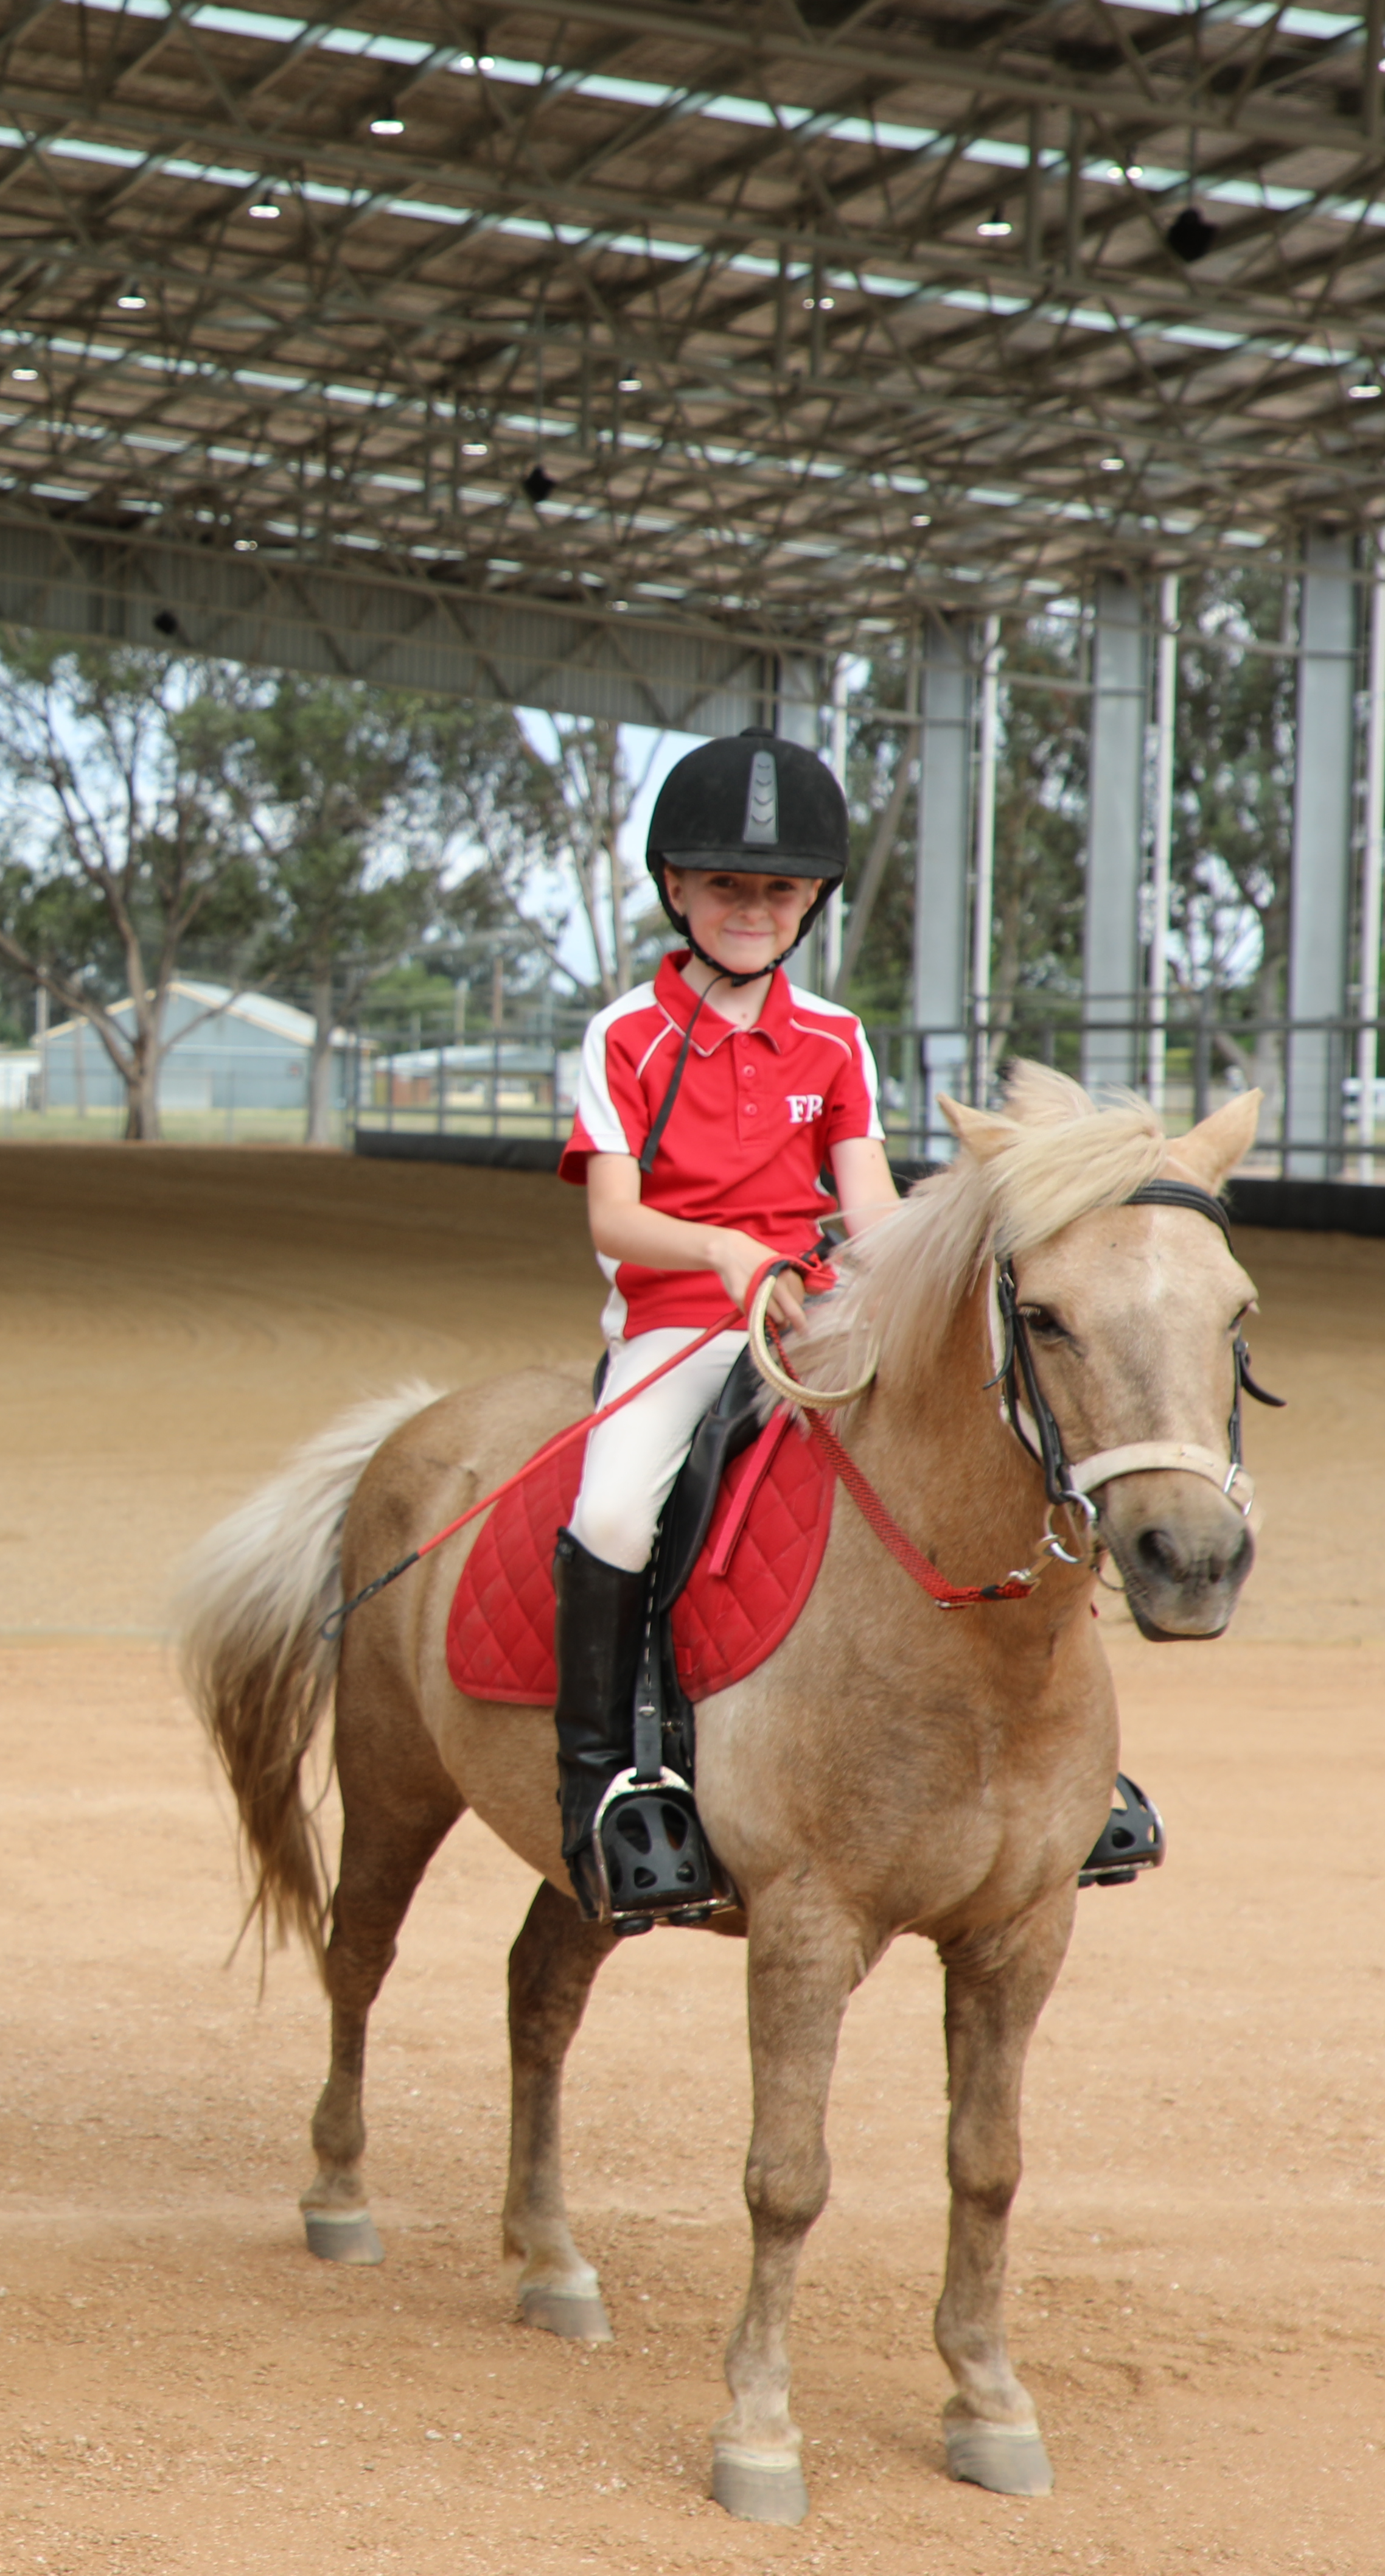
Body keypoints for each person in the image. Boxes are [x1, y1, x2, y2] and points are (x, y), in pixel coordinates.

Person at [552, 733, 896, 1923]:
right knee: (608, 1508)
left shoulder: (837, 1037)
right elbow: (614, 1214)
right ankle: (600, 1781)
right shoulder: (624, 1036)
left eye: (780, 889)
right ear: (675, 889)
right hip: (683, 1317)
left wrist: (906, 1277)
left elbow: (872, 1206)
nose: (754, 909)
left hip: (820, 1310)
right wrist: (725, 1249)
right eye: (728, 886)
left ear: (812, 901)